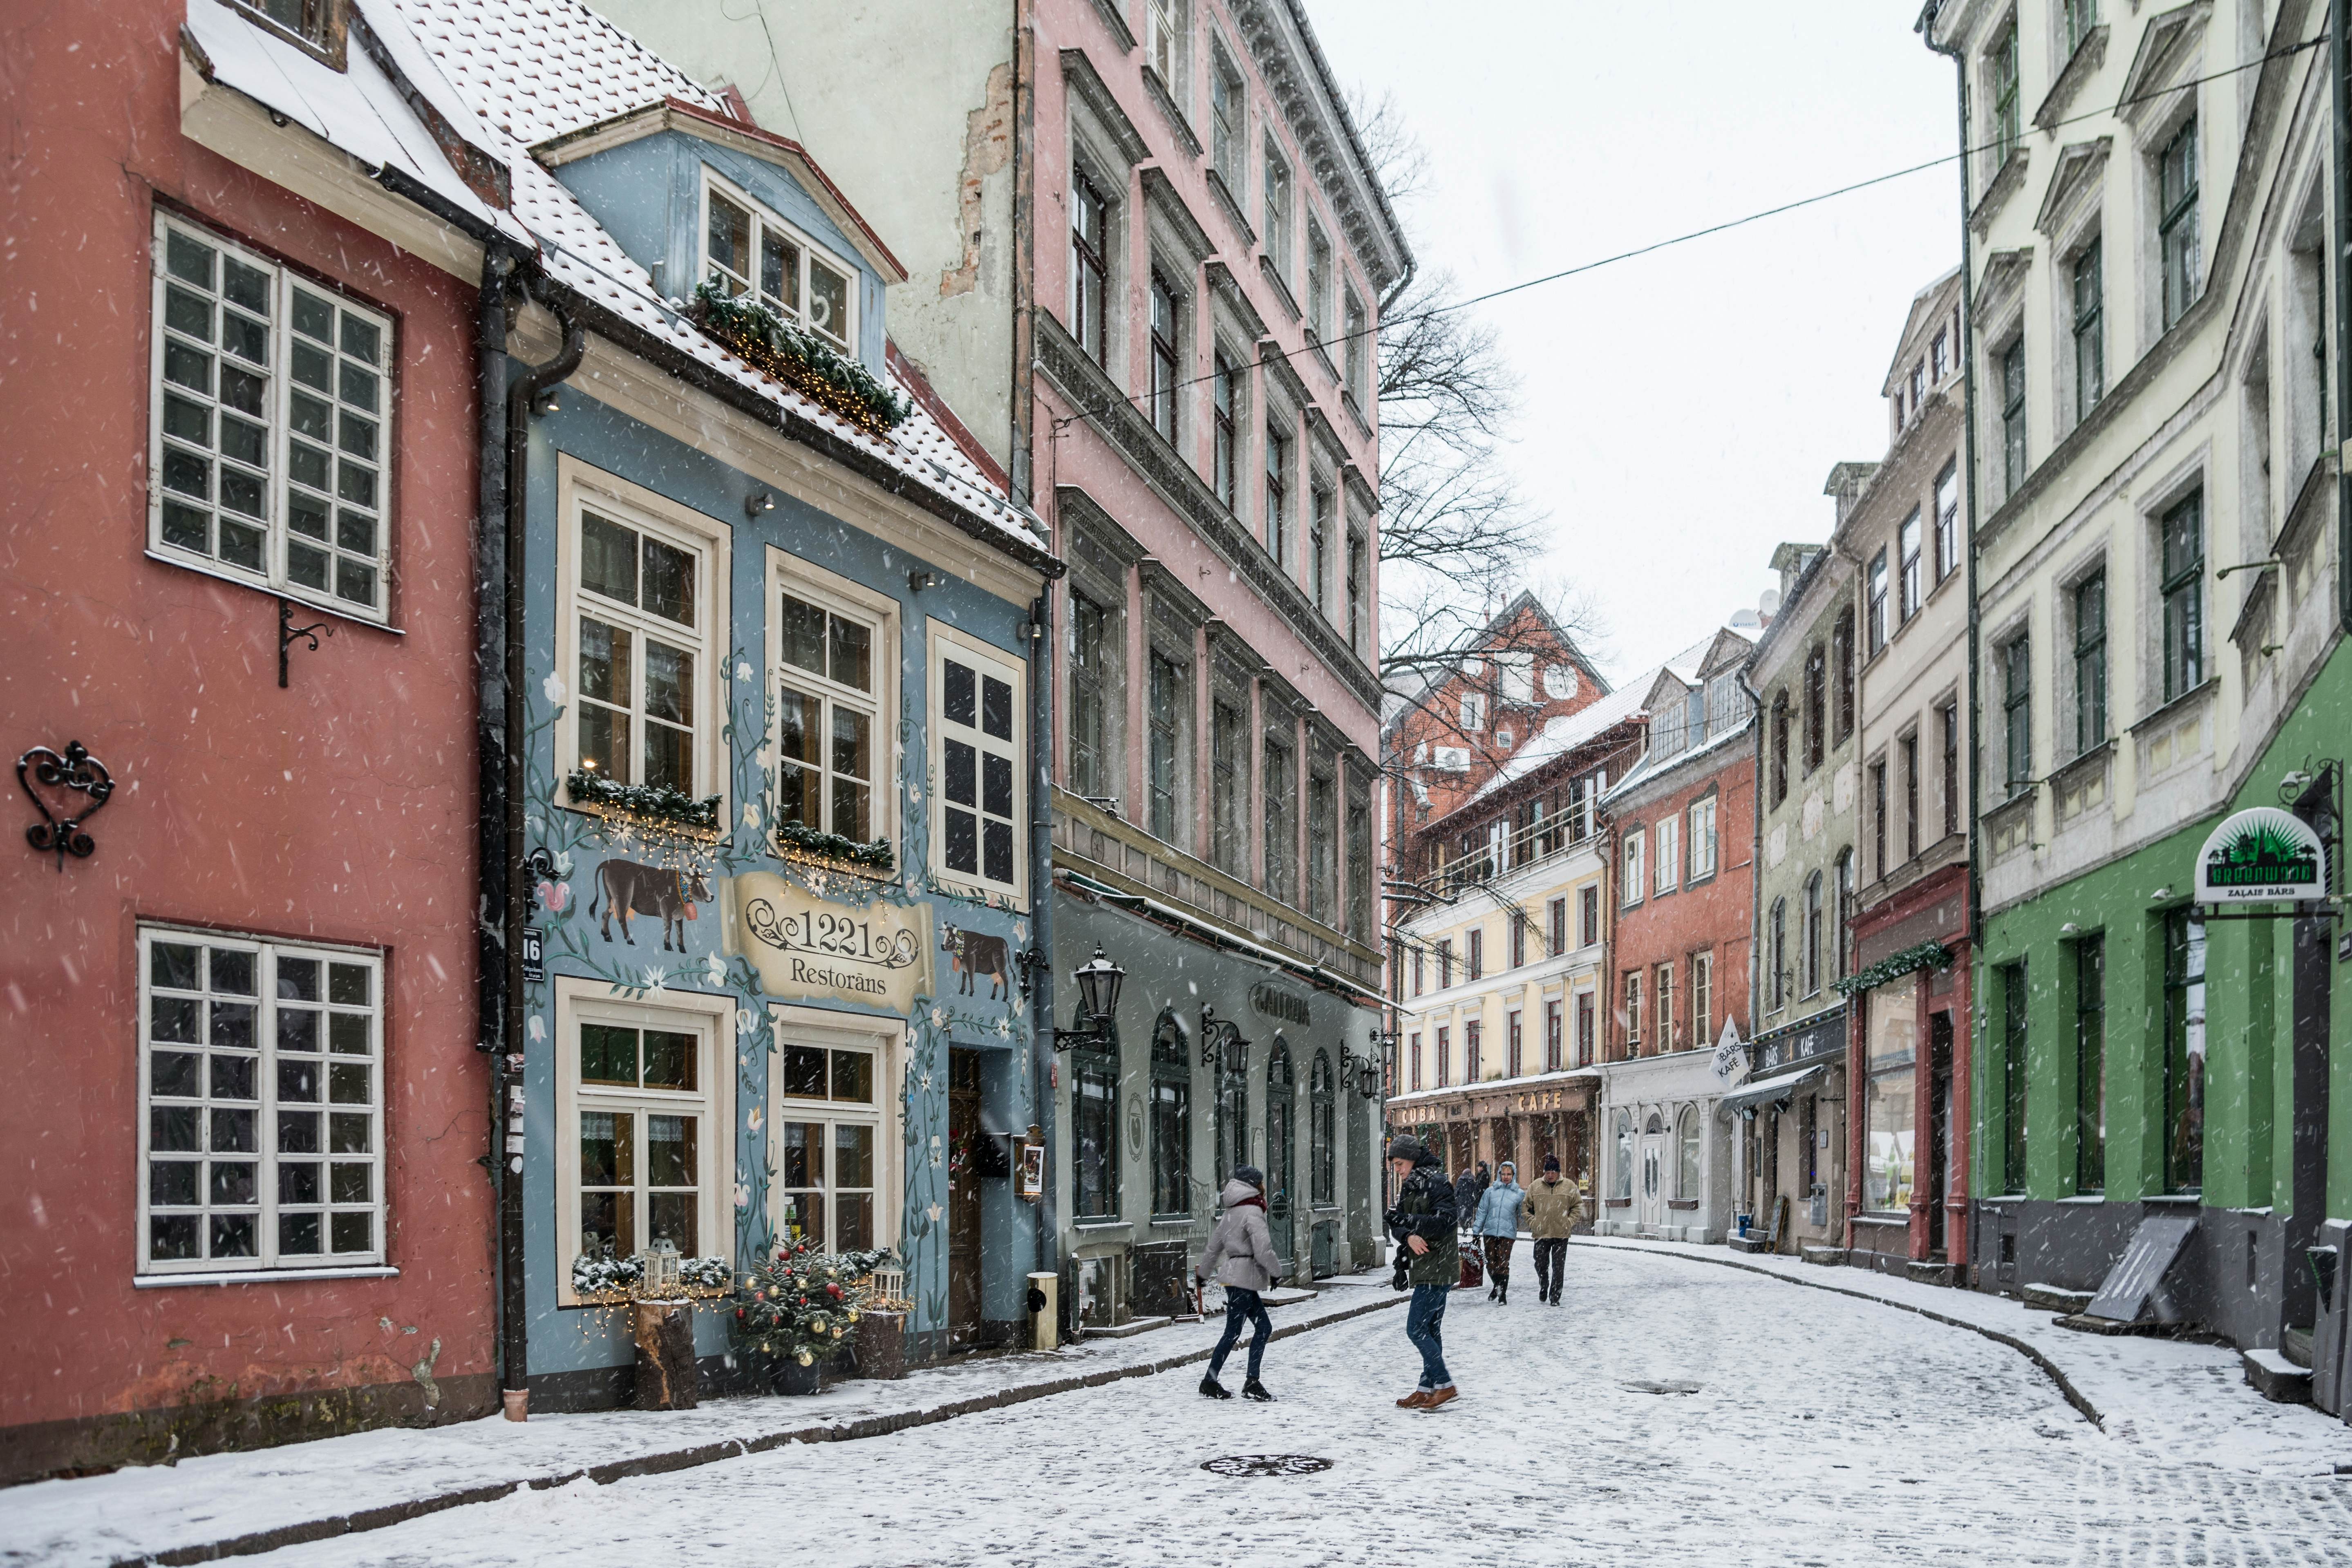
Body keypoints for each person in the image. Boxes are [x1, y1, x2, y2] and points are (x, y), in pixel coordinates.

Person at [1194, 1165, 1282, 1401]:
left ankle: (1246, 1381)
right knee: (1234, 1332)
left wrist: (1203, 1273)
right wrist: (1275, 1272)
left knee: (1262, 1328)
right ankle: (1216, 1382)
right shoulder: (1253, 1211)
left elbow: (1214, 1247)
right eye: (1261, 1183)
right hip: (1244, 1278)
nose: (1264, 1186)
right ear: (1254, 1186)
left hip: (1238, 1277)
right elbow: (1263, 1249)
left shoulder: (1231, 1212)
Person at [1384, 1135, 1459, 1409]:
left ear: (1413, 1159)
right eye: (1395, 1166)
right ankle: (1427, 1388)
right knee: (1430, 1329)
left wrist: (1411, 1227)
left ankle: (1445, 1384)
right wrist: (1408, 1237)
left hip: (1438, 1266)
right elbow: (1398, 1224)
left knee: (1415, 1328)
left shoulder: (1437, 1182)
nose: (1399, 1170)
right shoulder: (1411, 1185)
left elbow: (1446, 1222)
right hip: (1424, 1266)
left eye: (1401, 1164)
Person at [1524, 1154, 1585, 1306]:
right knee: (1540, 1264)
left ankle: (1555, 1297)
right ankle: (1544, 1284)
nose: (1550, 1175)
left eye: (1553, 1172)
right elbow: (1526, 1208)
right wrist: (1534, 1223)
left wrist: (1568, 1222)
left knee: (1558, 1267)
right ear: (1544, 1172)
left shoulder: (1569, 1186)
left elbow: (1577, 1206)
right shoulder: (1535, 1186)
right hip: (1541, 1233)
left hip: (1561, 1234)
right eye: (1547, 1172)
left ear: (1559, 1173)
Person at [1472, 1161, 1526, 1304]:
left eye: (1509, 1174)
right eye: (1504, 1174)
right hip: (1490, 1232)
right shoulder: (1490, 1192)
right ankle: (1498, 1286)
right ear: (1499, 1175)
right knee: (1491, 1263)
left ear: (1514, 1175)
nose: (1506, 1177)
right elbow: (1482, 1211)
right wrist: (1476, 1230)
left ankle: (1502, 1295)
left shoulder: (1519, 1194)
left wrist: (1536, 1222)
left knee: (1503, 1263)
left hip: (1507, 1234)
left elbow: (1524, 1214)